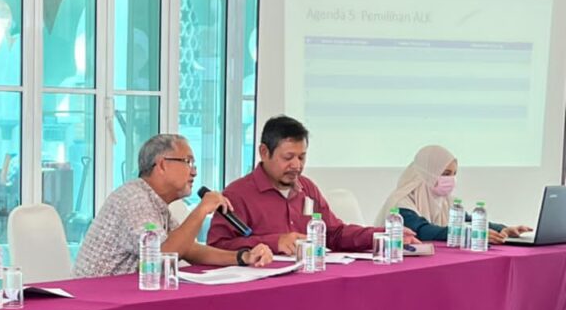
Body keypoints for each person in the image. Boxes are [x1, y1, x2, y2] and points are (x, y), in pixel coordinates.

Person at [74, 134, 273, 279]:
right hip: (94, 299)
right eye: (188, 162)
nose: (194, 172)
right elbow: (161, 256)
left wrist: (243, 257)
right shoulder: (134, 198)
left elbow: (187, 249)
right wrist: (202, 209)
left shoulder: (156, 202)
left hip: (128, 295)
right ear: (162, 165)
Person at [208, 115, 413, 254]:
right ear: (264, 152)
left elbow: (334, 234)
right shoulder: (237, 194)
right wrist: (275, 242)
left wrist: (381, 234)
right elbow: (216, 247)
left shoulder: (307, 188)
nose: (296, 165)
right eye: (288, 157)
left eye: (302, 157)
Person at [375, 145, 530, 244]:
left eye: (454, 174)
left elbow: (468, 220)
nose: (451, 179)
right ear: (427, 174)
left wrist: (503, 229)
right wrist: (467, 234)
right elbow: (422, 231)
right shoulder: (401, 202)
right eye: (445, 173)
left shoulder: (445, 201)